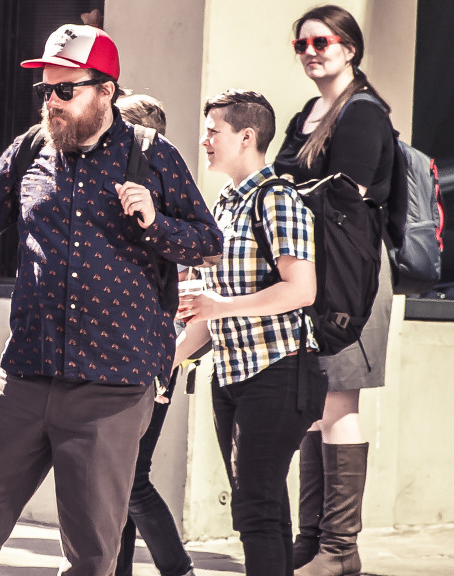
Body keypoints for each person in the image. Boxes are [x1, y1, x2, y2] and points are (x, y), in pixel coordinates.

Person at [0, 24, 223, 576]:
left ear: (106, 91)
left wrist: (156, 223)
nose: (51, 103)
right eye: (45, 90)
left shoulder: (153, 157)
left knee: (90, 555)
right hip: (27, 375)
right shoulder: (30, 151)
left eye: (66, 90)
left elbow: (207, 243)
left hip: (113, 383)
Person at [173, 90, 328, 575]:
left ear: (246, 136)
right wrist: (164, 360)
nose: (204, 140)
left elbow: (301, 290)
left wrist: (220, 305)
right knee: (262, 506)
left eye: (213, 131)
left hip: (279, 371)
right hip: (231, 375)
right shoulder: (224, 205)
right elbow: (211, 314)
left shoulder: (277, 199)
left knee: (255, 507)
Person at [273, 6, 396, 575]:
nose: (310, 51)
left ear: (350, 47)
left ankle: (339, 550)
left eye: (321, 41)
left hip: (354, 276)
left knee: (338, 401)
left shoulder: (364, 112)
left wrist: (286, 190)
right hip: (313, 276)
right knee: (314, 409)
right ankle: (313, 543)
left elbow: (344, 193)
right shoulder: (308, 113)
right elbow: (282, 182)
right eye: (301, 44)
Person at [111, 92, 195, 576]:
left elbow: (186, 293)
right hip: (135, 358)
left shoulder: (166, 208)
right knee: (117, 479)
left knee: (132, 478)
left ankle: (177, 567)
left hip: (158, 359)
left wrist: (168, 363)